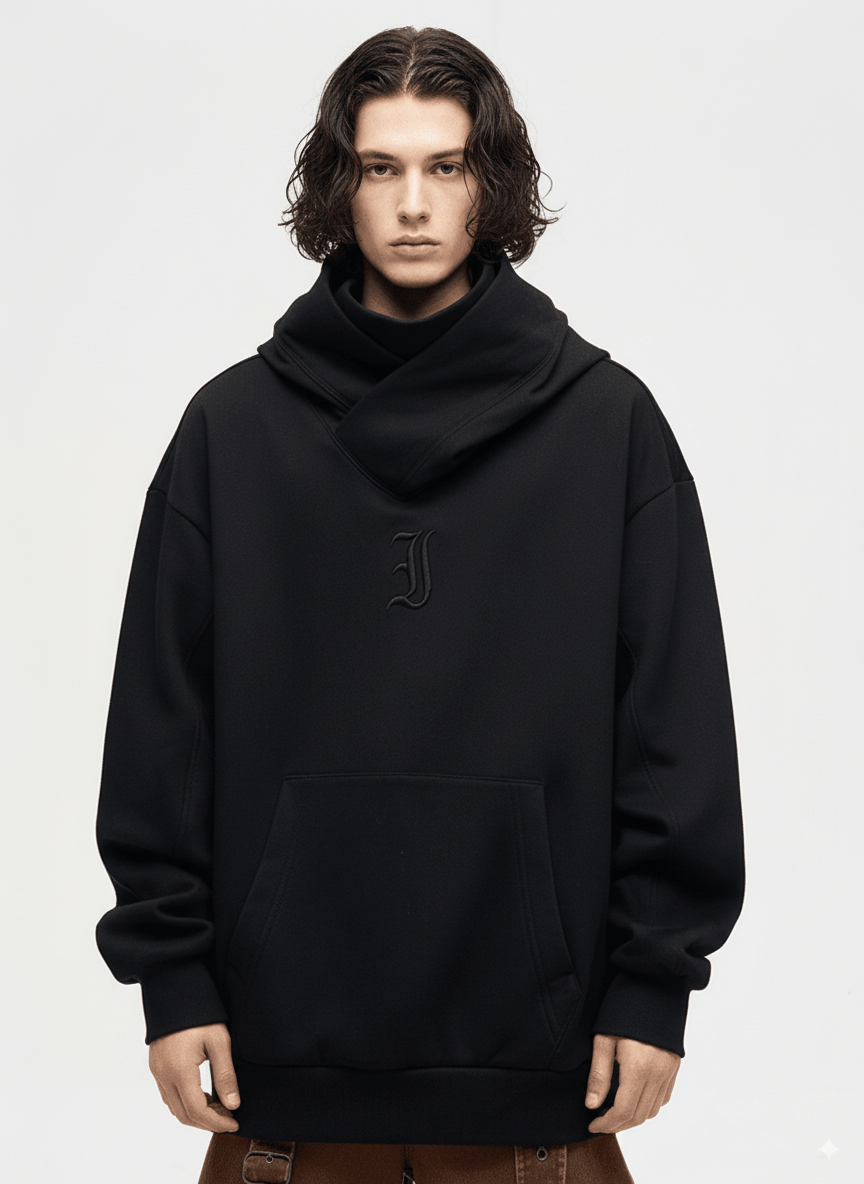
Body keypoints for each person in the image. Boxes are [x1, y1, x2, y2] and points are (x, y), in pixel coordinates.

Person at [94, 25, 746, 1184]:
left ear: (491, 184)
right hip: (280, 1081)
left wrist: (656, 982)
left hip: (543, 1085)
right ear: (337, 187)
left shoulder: (610, 427)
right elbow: (161, 726)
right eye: (379, 167)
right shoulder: (230, 432)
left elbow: (673, 726)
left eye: (446, 166)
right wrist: (172, 976)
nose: (411, 204)